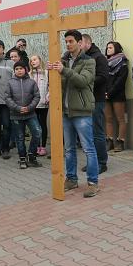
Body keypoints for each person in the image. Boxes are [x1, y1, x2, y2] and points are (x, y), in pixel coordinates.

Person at [49, 30, 99, 198]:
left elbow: (82, 81)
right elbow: (60, 84)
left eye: (71, 41)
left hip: (82, 111)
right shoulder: (62, 61)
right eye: (66, 41)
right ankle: (71, 179)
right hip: (66, 112)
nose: (68, 44)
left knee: (88, 148)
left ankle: (93, 182)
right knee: (69, 149)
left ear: (80, 43)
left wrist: (64, 71)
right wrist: (52, 72)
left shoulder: (89, 61)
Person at [80, 34, 109, 173]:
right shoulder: (82, 57)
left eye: (81, 43)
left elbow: (103, 77)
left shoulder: (99, 57)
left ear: (88, 43)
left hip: (97, 99)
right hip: (85, 99)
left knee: (98, 132)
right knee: (88, 133)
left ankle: (102, 162)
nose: (78, 46)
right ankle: (92, 162)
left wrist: (86, 81)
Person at [5, 60, 42, 169]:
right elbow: (7, 98)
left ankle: (31, 155)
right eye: (17, 69)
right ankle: (22, 158)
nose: (19, 71)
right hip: (16, 115)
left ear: (25, 70)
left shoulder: (31, 82)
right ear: (14, 71)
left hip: (31, 114)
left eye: (21, 68)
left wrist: (29, 107)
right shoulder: (10, 83)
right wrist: (18, 108)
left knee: (37, 133)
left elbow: (37, 96)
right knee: (19, 137)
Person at [105, 41, 128, 152]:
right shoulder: (105, 63)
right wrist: (105, 92)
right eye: (107, 48)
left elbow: (120, 81)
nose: (108, 49)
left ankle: (120, 142)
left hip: (117, 95)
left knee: (120, 119)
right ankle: (109, 142)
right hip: (106, 95)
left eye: (110, 47)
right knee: (108, 119)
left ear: (116, 49)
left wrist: (110, 93)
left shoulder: (123, 63)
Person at [29, 55, 49, 157]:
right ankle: (36, 146)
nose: (33, 61)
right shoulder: (29, 75)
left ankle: (43, 146)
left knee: (43, 124)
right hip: (33, 105)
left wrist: (47, 96)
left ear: (40, 60)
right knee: (34, 126)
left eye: (35, 59)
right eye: (31, 60)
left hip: (43, 104)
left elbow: (50, 86)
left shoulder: (46, 73)